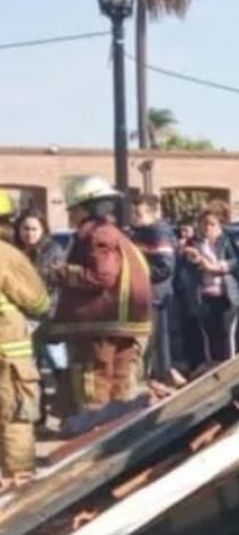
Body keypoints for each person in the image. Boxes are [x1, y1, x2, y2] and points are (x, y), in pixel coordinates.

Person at [49, 175, 153, 437]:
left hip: (99, 328)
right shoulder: (110, 233)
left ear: (86, 208)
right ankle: (118, 435)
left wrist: (63, 273)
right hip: (113, 325)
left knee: (94, 382)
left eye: (73, 209)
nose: (70, 214)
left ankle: (94, 436)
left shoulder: (97, 236)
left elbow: (103, 276)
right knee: (119, 385)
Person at [0, 198, 52, 483]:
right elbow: (39, 301)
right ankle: (18, 486)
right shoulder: (7, 255)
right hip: (8, 354)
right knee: (16, 420)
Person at [15, 210, 66, 424]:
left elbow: (50, 284)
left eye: (34, 229)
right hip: (24, 319)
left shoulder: (52, 251)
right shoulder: (15, 252)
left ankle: (67, 412)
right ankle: (37, 416)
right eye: (25, 229)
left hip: (50, 317)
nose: (29, 233)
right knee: (30, 369)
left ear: (43, 229)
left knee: (59, 366)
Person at [179, 211, 239, 366]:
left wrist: (218, 267)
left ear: (219, 226)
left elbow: (236, 261)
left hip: (226, 295)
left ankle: (231, 368)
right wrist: (197, 260)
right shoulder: (193, 244)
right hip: (204, 296)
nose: (208, 228)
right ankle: (212, 369)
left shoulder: (227, 241)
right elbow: (189, 265)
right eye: (205, 224)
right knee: (209, 336)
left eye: (212, 224)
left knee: (227, 335)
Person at [131, 194, 177, 383]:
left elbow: (164, 268)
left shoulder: (157, 232)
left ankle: (160, 378)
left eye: (138, 213)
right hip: (144, 295)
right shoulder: (139, 232)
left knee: (157, 344)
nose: (134, 216)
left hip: (156, 296)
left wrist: (136, 273)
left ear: (151, 213)